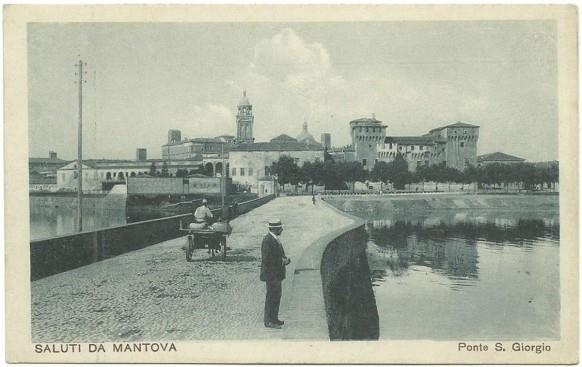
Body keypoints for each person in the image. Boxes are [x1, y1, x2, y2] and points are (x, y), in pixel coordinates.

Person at [260, 219, 291, 329]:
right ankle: (269, 321)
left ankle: (274, 318)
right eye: (280, 228)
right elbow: (267, 259)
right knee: (271, 297)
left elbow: (275, 256)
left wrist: (284, 259)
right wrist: (282, 261)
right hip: (271, 275)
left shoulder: (273, 239)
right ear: (274, 229)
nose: (282, 229)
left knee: (276, 296)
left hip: (276, 274)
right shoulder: (268, 240)